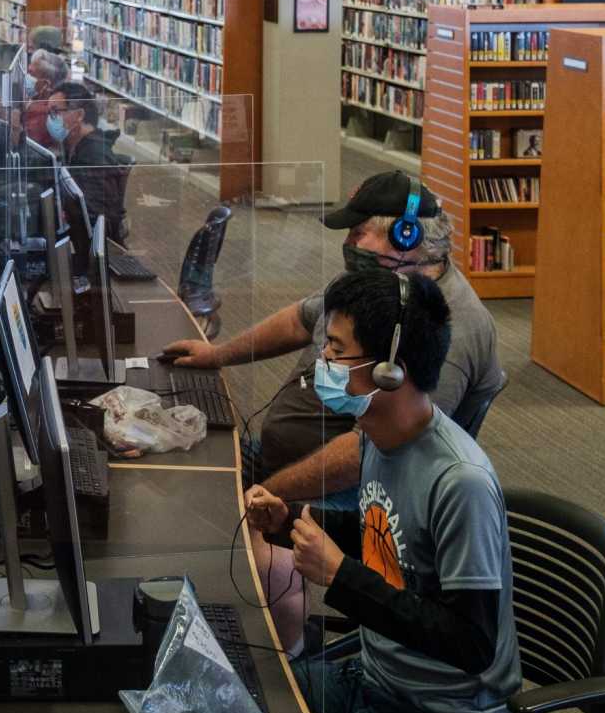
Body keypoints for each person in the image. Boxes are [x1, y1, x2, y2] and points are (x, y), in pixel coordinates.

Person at [162, 171, 504, 643]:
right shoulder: (379, 283)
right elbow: (301, 319)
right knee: (184, 470)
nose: (349, 242)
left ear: (408, 236)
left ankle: (288, 652)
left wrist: (272, 490)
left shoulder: (447, 330)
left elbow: (373, 453)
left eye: (359, 230)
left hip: (360, 487)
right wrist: (216, 354)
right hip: (295, 459)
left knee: (248, 534)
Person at [246, 268, 519, 713]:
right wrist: (289, 523)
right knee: (242, 705)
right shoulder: (378, 436)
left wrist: (339, 575)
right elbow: (382, 534)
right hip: (377, 682)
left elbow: (471, 641)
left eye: (336, 348)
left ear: (391, 369)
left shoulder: (460, 482)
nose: (321, 362)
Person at [48, 82, 128, 244]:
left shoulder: (94, 156)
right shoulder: (73, 147)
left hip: (89, 247)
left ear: (79, 115)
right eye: (49, 113)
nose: (50, 119)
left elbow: (95, 217)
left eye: (56, 112)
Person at [20, 47, 67, 148]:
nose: (26, 76)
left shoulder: (42, 114)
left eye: (31, 73)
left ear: (46, 84)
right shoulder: (35, 99)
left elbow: (23, 145)